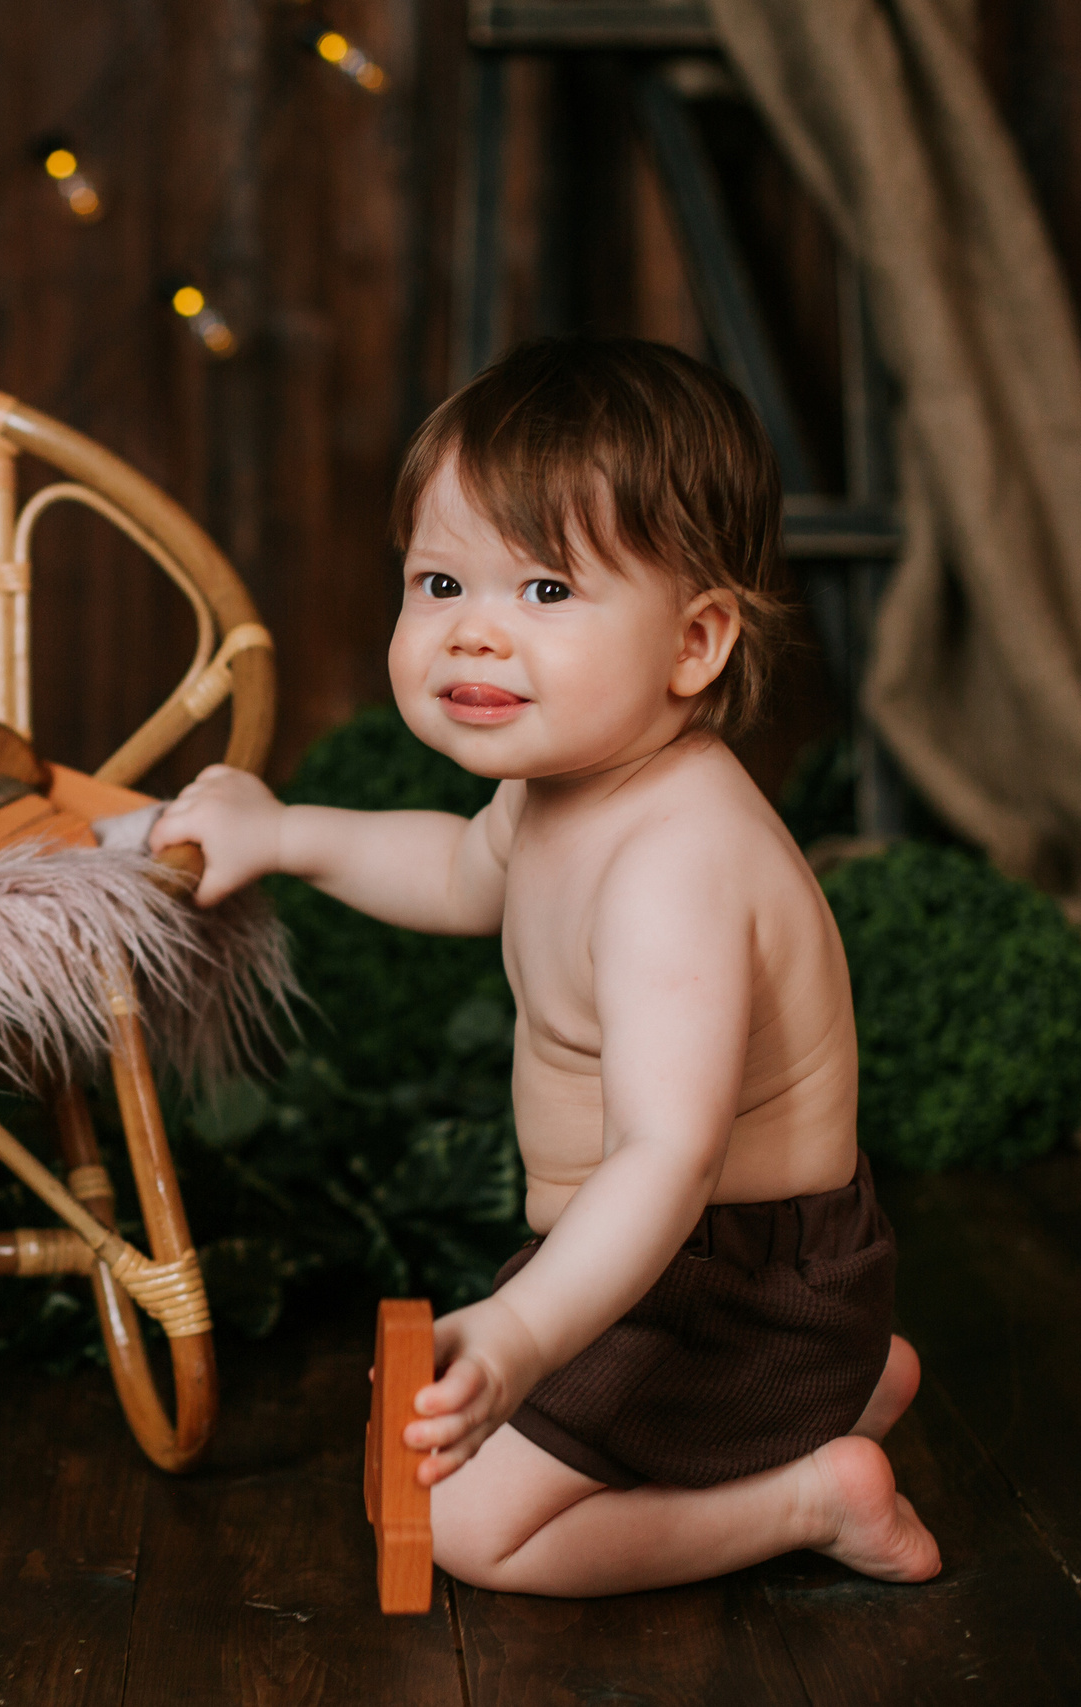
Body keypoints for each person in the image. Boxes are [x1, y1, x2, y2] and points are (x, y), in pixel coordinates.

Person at [150, 338, 941, 1596]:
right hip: (668, 1262)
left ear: (694, 644)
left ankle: (809, 1487)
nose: (472, 634)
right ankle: (837, 1381)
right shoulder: (564, 789)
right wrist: (287, 834)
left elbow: (666, 1160)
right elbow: (464, 875)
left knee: (470, 1530)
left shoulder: (674, 870)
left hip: (717, 1276)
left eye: (546, 595)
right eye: (440, 580)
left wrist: (522, 1334)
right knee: (455, 1450)